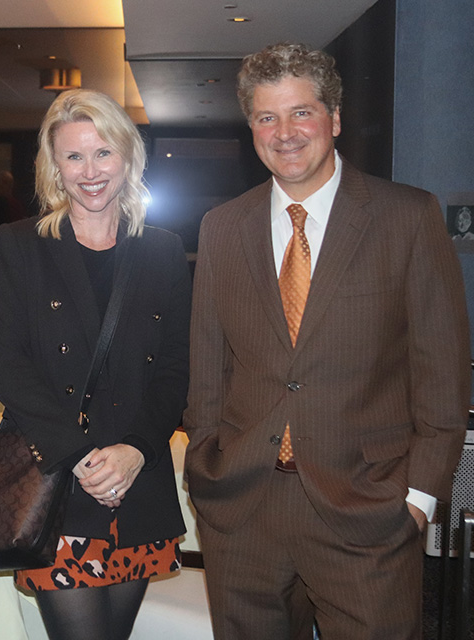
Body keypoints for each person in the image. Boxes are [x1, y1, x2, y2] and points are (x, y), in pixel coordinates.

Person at [184, 42, 470, 639]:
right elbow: (208, 368)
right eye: (266, 117)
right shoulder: (222, 227)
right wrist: (204, 474)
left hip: (367, 510)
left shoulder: (407, 218)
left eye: (301, 112)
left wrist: (417, 500)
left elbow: (443, 374)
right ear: (250, 128)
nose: (284, 132)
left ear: (334, 119)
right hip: (243, 510)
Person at [0, 89, 191, 640]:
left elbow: (174, 368)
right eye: (74, 156)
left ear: (128, 157)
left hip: (135, 483)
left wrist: (136, 451)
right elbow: (9, 368)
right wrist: (81, 458)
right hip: (59, 479)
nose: (90, 171)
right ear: (54, 167)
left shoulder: (164, 250)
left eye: (103, 153)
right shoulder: (19, 245)